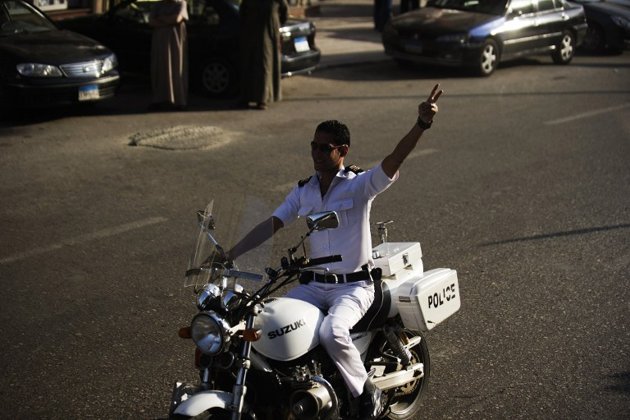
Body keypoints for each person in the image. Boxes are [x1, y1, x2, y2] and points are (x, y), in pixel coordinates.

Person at [226, 84, 443, 419]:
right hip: (314, 286)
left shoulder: (359, 185)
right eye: (313, 145)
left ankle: (366, 393)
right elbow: (272, 223)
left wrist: (421, 124)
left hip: (354, 287)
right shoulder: (304, 191)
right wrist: (230, 254)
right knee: (270, 320)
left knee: (332, 331)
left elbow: (394, 159)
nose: (316, 152)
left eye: (324, 148)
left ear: (342, 151)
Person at [238, 0, 288, 110]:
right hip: (251, 32)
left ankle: (262, 99)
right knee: (250, 65)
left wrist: (276, 23)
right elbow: (243, 13)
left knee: (264, 65)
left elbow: (284, 11)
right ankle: (247, 97)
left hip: (267, 32)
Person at [148, 0, 189, 111]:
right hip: (160, 43)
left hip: (175, 42)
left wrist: (160, 19)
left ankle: (178, 100)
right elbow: (151, 21)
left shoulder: (181, 4)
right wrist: (168, 21)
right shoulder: (158, 5)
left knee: (175, 67)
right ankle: (160, 99)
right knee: (160, 69)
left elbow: (177, 19)